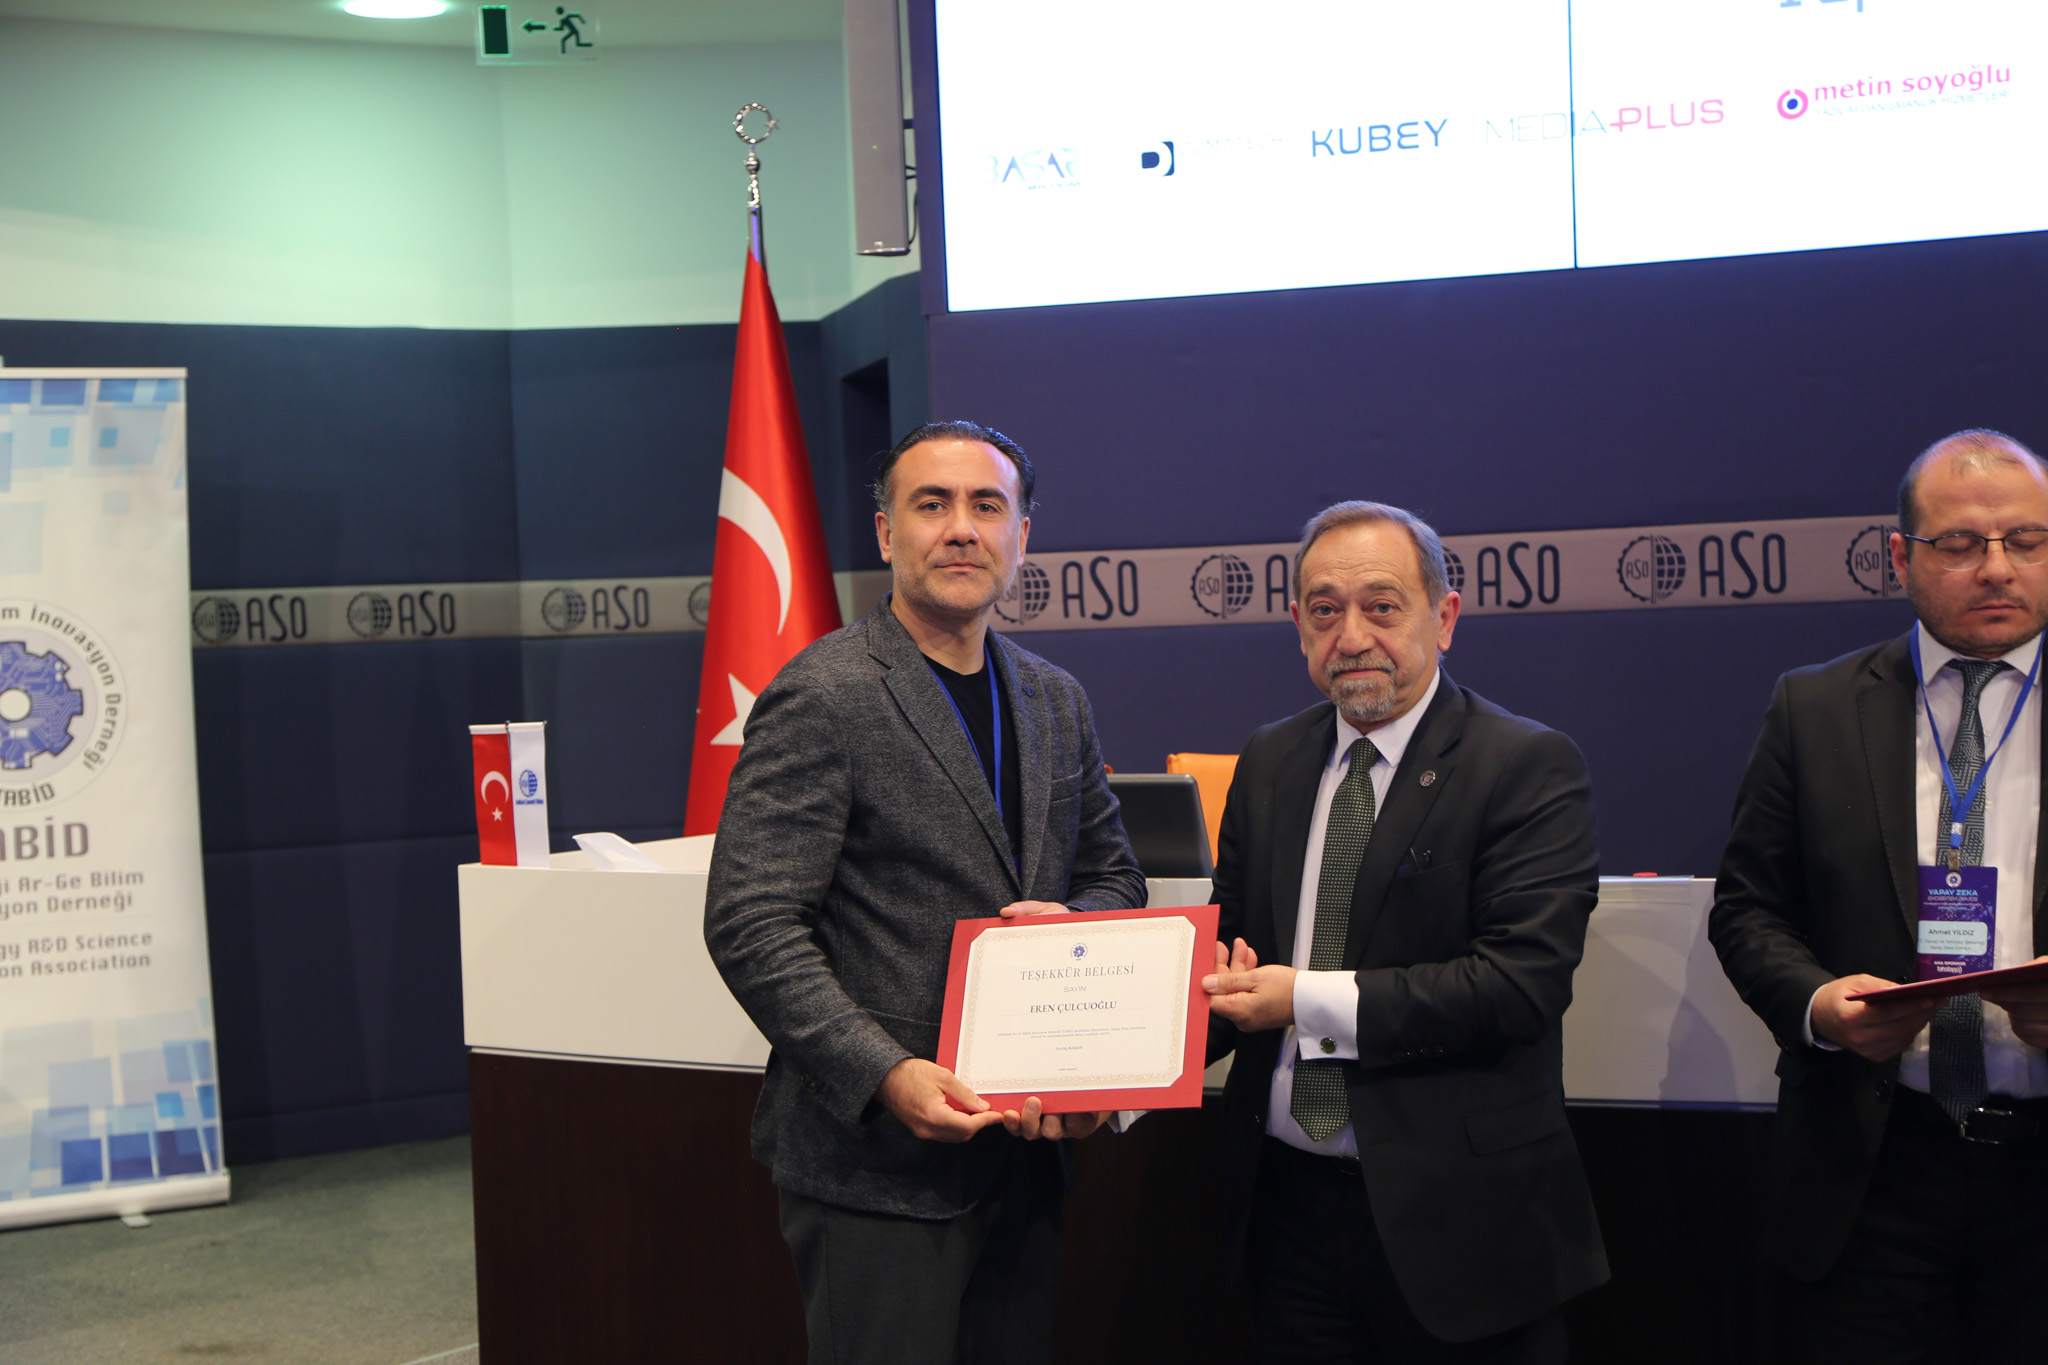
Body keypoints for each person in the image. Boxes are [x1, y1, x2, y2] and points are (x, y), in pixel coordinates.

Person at [703, 420, 1145, 1365]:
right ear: (885, 533)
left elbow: (1114, 877)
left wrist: (1072, 924)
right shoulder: (823, 693)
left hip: (1027, 1155)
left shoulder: (1056, 697)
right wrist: (884, 1073)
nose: (961, 528)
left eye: (987, 505)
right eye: (931, 504)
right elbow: (751, 921)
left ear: (1022, 534)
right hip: (877, 1170)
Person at [1202, 500, 1607, 1364]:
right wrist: (1101, 1048)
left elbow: (1517, 984)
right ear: (1298, 625)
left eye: (1381, 606)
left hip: (1461, 1223)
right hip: (1286, 1219)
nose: (1352, 636)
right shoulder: (1270, 759)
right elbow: (1224, 959)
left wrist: (1302, 999)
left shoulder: (1524, 763)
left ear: (1444, 617)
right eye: (1324, 610)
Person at [1710, 428, 2048, 1362]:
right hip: (1871, 1170)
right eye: (1960, 543)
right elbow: (1747, 908)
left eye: (2025, 540)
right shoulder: (1814, 707)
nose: (1996, 568)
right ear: (1900, 557)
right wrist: (1819, 1004)